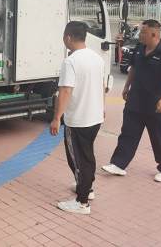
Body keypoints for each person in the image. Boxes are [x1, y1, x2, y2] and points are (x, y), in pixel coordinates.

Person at [102, 19, 161, 183]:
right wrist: (126, 87)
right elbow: (133, 68)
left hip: (155, 104)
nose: (140, 35)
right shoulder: (139, 48)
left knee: (159, 138)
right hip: (135, 101)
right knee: (127, 134)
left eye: (143, 32)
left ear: (153, 34)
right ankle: (118, 164)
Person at [50, 21, 105, 215]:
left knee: (79, 160)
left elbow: (65, 91)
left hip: (79, 120)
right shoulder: (97, 58)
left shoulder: (71, 61)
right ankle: (87, 188)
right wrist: (102, 107)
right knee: (87, 156)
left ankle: (82, 202)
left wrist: (57, 117)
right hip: (95, 117)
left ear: (68, 37)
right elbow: (101, 84)